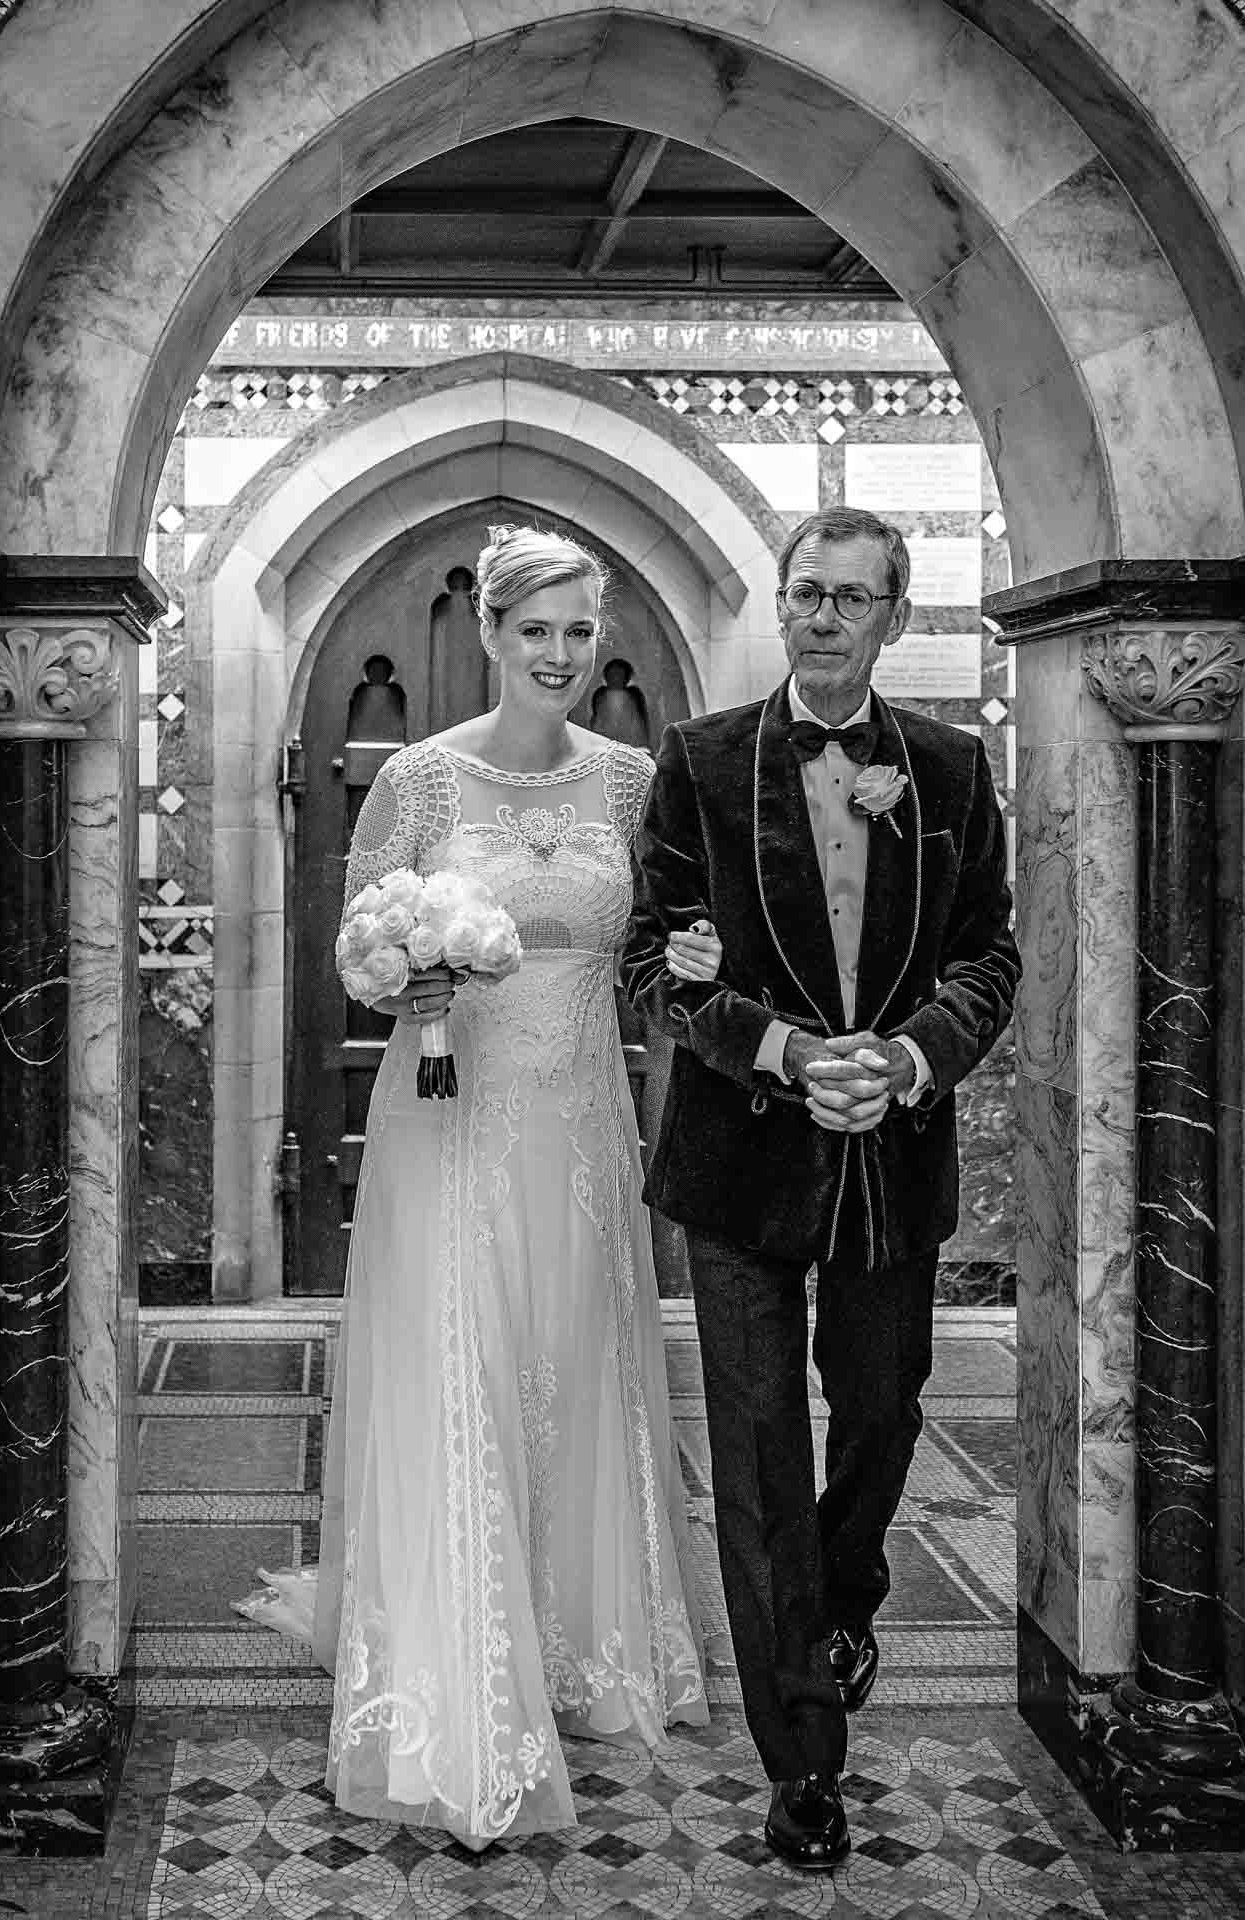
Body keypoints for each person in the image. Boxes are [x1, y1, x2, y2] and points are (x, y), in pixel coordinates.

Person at [307, 524, 721, 1848]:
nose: (556, 653)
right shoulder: (420, 781)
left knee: (575, 1362)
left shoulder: (630, 782)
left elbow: (659, 947)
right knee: (464, 1362)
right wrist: (399, 972)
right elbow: (355, 939)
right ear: (489, 633)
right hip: (452, 1116)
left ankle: (583, 1643)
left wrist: (701, 962)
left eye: (576, 630)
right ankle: (460, 1666)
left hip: (585, 1124)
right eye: (532, 628)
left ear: (599, 641)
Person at [621, 506, 1020, 1870]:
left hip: (890, 1156)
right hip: (739, 1160)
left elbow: (989, 961)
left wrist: (906, 1060)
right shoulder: (700, 761)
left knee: (881, 1407)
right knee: (753, 1452)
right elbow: (648, 970)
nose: (825, 616)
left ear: (893, 619)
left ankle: (847, 1587)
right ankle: (802, 1751)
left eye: (854, 597)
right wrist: (786, 1052)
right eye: (807, 593)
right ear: (780, 606)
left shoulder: (954, 772)